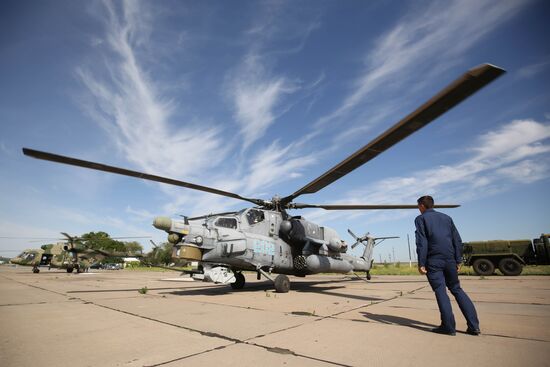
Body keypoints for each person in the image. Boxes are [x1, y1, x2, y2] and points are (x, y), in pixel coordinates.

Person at [415, 195, 480, 336]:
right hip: (450, 259)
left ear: (421, 206)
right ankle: (474, 326)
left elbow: (422, 242)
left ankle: (448, 327)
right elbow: (457, 240)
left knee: (440, 291)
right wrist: (458, 260)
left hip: (434, 261)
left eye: (418, 206)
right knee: (457, 289)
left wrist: (421, 263)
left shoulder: (421, 219)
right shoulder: (446, 218)